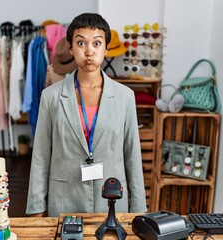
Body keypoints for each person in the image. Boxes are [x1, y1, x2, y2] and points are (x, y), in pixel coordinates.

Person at [26, 13, 147, 217]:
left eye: (97, 43)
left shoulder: (125, 97)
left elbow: (132, 155)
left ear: (106, 48)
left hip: (111, 201)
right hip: (64, 200)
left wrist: (138, 210)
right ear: (71, 48)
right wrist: (37, 209)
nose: (89, 51)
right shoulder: (51, 97)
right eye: (81, 43)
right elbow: (40, 156)